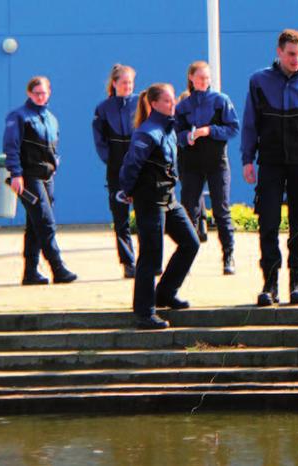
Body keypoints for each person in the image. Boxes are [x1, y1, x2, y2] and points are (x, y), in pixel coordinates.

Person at [241, 29, 298, 306]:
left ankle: (297, 282)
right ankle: (269, 284)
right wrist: (247, 159)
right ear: (279, 52)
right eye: (291, 54)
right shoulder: (259, 81)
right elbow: (250, 123)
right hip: (270, 162)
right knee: (268, 223)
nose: (296, 59)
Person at [116, 83, 200, 330]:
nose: (172, 105)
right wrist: (128, 191)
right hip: (149, 199)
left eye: (173, 100)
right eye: (167, 101)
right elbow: (131, 165)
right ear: (153, 104)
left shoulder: (169, 128)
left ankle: (165, 293)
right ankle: (144, 311)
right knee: (151, 256)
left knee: (191, 242)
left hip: (168, 196)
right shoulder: (148, 132)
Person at [3, 76, 78, 286]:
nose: (40, 97)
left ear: (49, 92)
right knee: (46, 222)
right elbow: (11, 146)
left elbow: (53, 146)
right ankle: (58, 268)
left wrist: (56, 164)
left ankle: (30, 272)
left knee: (35, 225)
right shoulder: (18, 116)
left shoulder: (51, 118)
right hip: (29, 177)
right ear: (29, 93)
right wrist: (16, 174)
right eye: (36, 93)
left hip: (47, 177)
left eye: (43, 93)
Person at [175, 61, 241, 275]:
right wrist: (187, 137)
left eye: (207, 77)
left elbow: (233, 128)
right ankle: (187, 258)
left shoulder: (221, 100)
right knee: (188, 210)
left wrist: (209, 131)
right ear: (191, 78)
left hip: (216, 163)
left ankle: (228, 255)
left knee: (221, 210)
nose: (204, 81)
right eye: (200, 77)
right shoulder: (183, 106)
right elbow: (176, 134)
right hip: (191, 164)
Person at [92, 64, 138, 279]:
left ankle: (149, 261)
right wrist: (110, 160)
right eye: (123, 83)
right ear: (114, 84)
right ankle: (128, 262)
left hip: (139, 162)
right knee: (120, 217)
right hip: (116, 164)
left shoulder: (141, 103)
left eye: (130, 82)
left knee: (148, 215)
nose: (127, 86)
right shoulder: (103, 108)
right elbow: (100, 140)